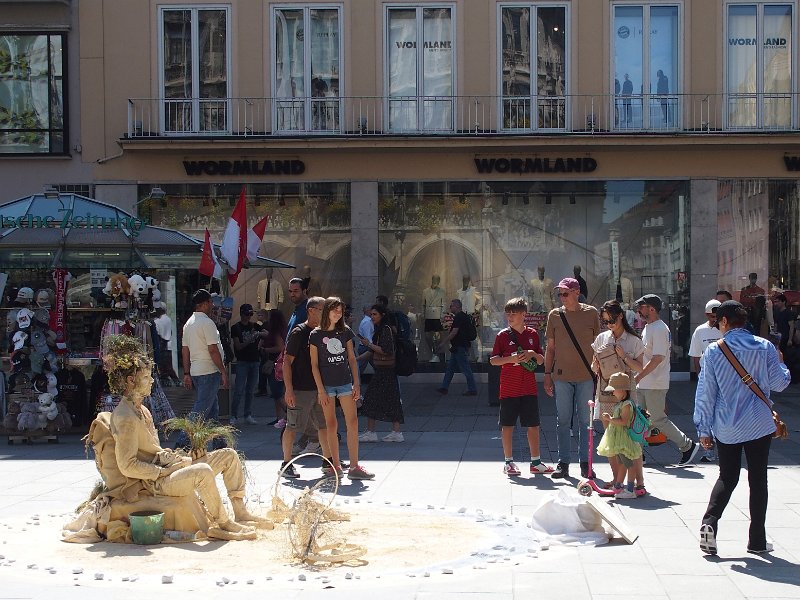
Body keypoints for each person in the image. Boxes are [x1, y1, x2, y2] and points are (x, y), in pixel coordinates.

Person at [105, 334, 264, 538]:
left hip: (167, 469)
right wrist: (161, 471)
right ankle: (222, 524)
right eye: (146, 377)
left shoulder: (142, 410)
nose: (152, 380)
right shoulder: (125, 416)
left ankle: (240, 512)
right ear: (130, 380)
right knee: (203, 471)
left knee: (228, 455)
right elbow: (127, 465)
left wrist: (181, 457)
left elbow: (153, 450)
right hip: (155, 483)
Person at [695, 301, 790, 555]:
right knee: (758, 479)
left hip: (727, 425)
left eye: (718, 322)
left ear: (725, 322)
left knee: (727, 476)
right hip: (759, 423)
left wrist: (704, 429)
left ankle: (709, 523)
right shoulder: (765, 346)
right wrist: (782, 364)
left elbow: (706, 393)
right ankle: (757, 541)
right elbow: (780, 383)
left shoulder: (714, 351)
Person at [310, 296, 374, 480]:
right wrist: (320, 389)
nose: (338, 314)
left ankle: (354, 466)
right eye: (335, 310)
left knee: (352, 422)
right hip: (327, 386)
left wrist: (357, 383)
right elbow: (314, 364)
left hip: (345, 382)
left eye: (341, 311)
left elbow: (352, 359)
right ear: (327, 310)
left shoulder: (345, 331)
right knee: (331, 424)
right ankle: (335, 465)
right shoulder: (315, 335)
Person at [543, 277, 601, 479]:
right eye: (560, 294)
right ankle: (563, 463)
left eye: (565, 293)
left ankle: (586, 463)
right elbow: (550, 348)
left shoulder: (591, 313)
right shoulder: (555, 315)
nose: (562, 297)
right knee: (563, 421)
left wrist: (600, 374)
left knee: (586, 421)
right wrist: (547, 375)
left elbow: (598, 345)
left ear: (577, 292)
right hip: (561, 376)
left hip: (586, 375)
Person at [634, 294, 699, 466]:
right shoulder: (650, 327)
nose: (639, 310)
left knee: (657, 420)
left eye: (642, 307)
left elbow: (657, 358)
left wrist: (639, 375)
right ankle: (638, 454)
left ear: (652, 309)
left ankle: (687, 446)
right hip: (646, 382)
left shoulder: (660, 328)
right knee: (639, 418)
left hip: (654, 382)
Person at [489, 297, 552, 476]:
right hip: (508, 388)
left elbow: (540, 359)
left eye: (513, 313)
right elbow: (493, 360)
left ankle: (536, 462)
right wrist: (511, 359)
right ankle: (508, 462)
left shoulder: (532, 334)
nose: (509, 316)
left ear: (524, 314)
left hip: (529, 388)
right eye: (507, 313)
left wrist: (531, 353)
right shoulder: (502, 335)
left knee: (533, 425)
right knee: (507, 425)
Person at [591, 300, 645, 490]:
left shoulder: (633, 340)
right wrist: (595, 366)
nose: (610, 324)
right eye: (606, 321)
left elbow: (639, 368)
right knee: (611, 438)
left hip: (626, 394)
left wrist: (624, 357)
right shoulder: (601, 339)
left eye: (612, 319)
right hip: (606, 392)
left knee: (630, 438)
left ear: (621, 315)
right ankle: (617, 480)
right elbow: (593, 365)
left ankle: (639, 482)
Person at [280, 296, 332, 478]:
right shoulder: (299, 332)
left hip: (320, 389)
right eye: (322, 309)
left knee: (325, 426)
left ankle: (328, 461)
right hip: (300, 389)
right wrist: (289, 389)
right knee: (293, 427)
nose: (326, 313)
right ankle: (286, 464)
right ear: (311, 311)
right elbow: (287, 362)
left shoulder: (322, 333)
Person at [177, 289, 229, 450]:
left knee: (212, 410)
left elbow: (185, 350)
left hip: (196, 371)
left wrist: (186, 373)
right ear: (205, 303)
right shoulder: (207, 323)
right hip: (208, 370)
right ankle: (182, 442)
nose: (212, 305)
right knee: (200, 410)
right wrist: (223, 370)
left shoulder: (188, 323)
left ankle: (219, 443)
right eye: (211, 302)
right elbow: (213, 349)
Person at [357, 304, 404, 443]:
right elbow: (372, 352)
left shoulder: (385, 330)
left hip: (385, 370)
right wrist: (356, 359)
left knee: (372, 399)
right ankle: (395, 431)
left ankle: (372, 432)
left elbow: (386, 350)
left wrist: (368, 344)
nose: (372, 317)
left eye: (375, 314)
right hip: (385, 370)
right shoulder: (381, 329)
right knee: (390, 399)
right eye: (371, 314)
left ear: (382, 315)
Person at [596, 372, 644, 499]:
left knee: (629, 464)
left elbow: (623, 421)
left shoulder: (627, 404)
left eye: (614, 390)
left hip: (625, 439)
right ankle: (618, 485)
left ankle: (629, 490)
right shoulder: (622, 403)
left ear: (622, 390)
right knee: (622, 462)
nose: (613, 393)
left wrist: (610, 419)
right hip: (620, 438)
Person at [230, 303, 268, 426]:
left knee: (250, 390)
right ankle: (234, 415)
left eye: (251, 314)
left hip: (255, 360)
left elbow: (267, 333)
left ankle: (248, 414)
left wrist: (259, 334)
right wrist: (251, 338)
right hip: (242, 361)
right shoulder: (236, 327)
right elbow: (238, 346)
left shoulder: (255, 326)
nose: (249, 317)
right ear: (242, 314)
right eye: (247, 314)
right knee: (239, 390)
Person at [436, 298, 478, 396]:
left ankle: (472, 389)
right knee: (450, 368)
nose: (450, 308)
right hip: (458, 346)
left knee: (465, 368)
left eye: (451, 306)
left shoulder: (459, 317)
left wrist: (443, 343)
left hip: (460, 346)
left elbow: (454, 332)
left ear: (457, 306)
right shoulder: (463, 316)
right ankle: (444, 387)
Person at [261, 308, 288, 428]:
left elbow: (280, 347)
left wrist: (265, 349)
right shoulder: (283, 330)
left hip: (276, 364)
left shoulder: (276, 331)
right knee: (276, 393)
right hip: (280, 363)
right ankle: (280, 417)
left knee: (277, 392)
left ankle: (291, 414)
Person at [153, 307, 179, 385]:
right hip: (168, 344)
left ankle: (173, 380)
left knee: (163, 365)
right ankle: (172, 380)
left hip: (162, 345)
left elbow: (158, 333)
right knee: (167, 364)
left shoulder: (157, 321)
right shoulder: (168, 319)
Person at [356, 305, 374, 376]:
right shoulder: (367, 322)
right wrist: (372, 347)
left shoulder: (367, 321)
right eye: (371, 310)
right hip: (366, 348)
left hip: (366, 347)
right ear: (367, 311)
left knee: (361, 367)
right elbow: (368, 338)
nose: (372, 312)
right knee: (360, 367)